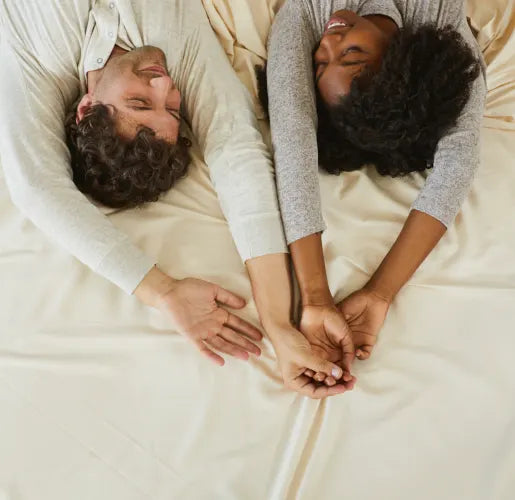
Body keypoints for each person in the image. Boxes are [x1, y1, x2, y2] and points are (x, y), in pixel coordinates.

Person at [0, 0, 356, 398]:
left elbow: (37, 186)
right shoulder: (171, 49)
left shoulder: (39, 51)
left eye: (138, 102)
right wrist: (278, 324)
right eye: (172, 108)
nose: (163, 84)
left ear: (86, 109)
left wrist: (159, 290)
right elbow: (235, 150)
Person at [266, 0, 486, 382]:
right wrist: (381, 292)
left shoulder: (304, 13)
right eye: (351, 54)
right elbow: (459, 158)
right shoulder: (434, 8)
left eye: (319, 62)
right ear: (402, 58)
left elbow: (293, 139)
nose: (330, 41)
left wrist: (316, 298)